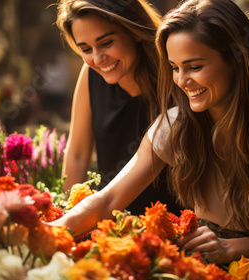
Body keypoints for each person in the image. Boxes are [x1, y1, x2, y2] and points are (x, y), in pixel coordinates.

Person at [51, 0, 249, 278]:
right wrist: (53, 229)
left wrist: (230, 247)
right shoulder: (174, 126)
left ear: (236, 57)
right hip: (208, 266)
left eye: (194, 66)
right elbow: (108, 200)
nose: (182, 81)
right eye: (174, 67)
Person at [55, 0, 183, 215]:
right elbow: (77, 154)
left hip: (173, 224)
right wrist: (65, 215)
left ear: (133, 30)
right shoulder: (90, 74)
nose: (97, 58)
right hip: (110, 221)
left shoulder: (175, 75)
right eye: (85, 48)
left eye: (106, 43)